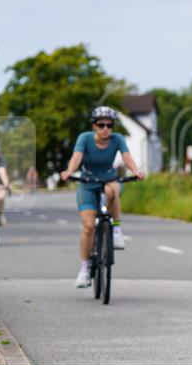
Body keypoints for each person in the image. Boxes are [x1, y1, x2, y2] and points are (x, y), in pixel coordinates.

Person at [60, 106, 144, 288]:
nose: (106, 129)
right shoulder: (84, 138)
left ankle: (116, 230)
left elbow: (127, 157)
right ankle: (84, 270)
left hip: (108, 179)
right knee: (89, 226)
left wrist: (136, 171)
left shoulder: (117, 139)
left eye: (109, 125)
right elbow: (76, 157)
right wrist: (69, 171)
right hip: (87, 183)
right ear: (94, 126)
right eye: (101, 125)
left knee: (112, 190)